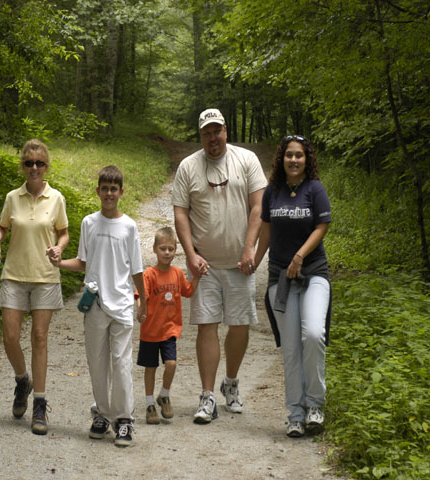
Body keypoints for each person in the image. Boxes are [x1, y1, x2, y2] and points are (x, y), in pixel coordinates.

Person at [172, 108, 267, 424]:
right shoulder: (188, 167)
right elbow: (181, 214)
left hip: (240, 264)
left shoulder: (247, 160)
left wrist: (249, 248)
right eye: (206, 133)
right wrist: (190, 254)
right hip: (206, 266)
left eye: (217, 131)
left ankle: (231, 382)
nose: (212, 138)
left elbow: (258, 207)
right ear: (201, 136)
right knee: (207, 325)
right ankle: (207, 395)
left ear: (226, 131)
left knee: (239, 326)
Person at [48, 166, 146, 447]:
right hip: (95, 306)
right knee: (98, 363)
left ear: (122, 192)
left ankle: (124, 420)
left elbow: (137, 270)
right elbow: (83, 263)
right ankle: (102, 415)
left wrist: (144, 302)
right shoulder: (89, 223)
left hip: (124, 304)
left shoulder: (129, 226)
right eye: (104, 188)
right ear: (98, 191)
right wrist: (59, 263)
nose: (109, 194)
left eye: (114, 189)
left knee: (122, 363)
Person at [0, 139, 69, 436]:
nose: (34, 168)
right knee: (9, 336)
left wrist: (59, 248)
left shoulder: (56, 198)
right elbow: (3, 227)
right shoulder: (12, 197)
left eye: (39, 163)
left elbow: (64, 232)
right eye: (29, 163)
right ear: (23, 165)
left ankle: (40, 404)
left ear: (46, 167)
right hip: (14, 274)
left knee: (39, 337)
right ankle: (23, 380)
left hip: (45, 276)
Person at [253, 135, 332, 438]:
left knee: (313, 334)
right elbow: (267, 232)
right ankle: (296, 414)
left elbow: (322, 227)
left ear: (306, 158)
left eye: (299, 155)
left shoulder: (315, 189)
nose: (294, 160)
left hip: (313, 274)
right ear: (281, 159)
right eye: (289, 155)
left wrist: (300, 255)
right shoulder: (273, 192)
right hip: (280, 281)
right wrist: (253, 262)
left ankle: (315, 405)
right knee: (290, 349)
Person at [138, 226, 203, 425]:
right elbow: (141, 295)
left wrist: (197, 276)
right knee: (150, 368)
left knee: (171, 364)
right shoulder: (149, 274)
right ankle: (150, 404)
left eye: (171, 249)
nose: (167, 253)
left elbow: (188, 291)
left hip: (170, 330)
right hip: (150, 331)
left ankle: (164, 395)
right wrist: (140, 309)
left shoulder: (177, 274)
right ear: (154, 249)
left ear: (176, 250)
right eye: (162, 249)